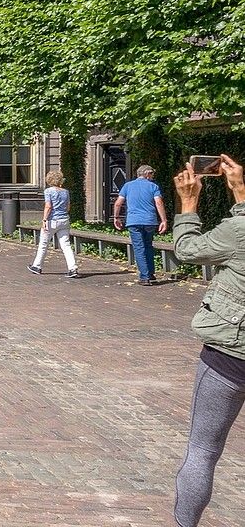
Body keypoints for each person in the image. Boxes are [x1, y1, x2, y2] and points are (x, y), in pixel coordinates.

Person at [171, 154, 245, 526]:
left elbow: (186, 251)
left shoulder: (238, 231)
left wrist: (188, 203)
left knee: (202, 451)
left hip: (230, 355)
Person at [114, 164, 168, 285]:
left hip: (133, 222)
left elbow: (118, 203)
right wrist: (164, 220)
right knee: (148, 246)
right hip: (150, 221)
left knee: (139, 248)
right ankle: (150, 273)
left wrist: (116, 217)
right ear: (147, 174)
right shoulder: (153, 186)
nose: (153, 177)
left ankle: (144, 277)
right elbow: (159, 203)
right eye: (152, 174)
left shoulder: (127, 186)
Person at [28, 171, 79, 278]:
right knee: (66, 245)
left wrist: (44, 220)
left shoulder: (48, 191)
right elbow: (68, 207)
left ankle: (37, 266)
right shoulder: (65, 192)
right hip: (64, 220)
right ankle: (73, 268)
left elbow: (48, 206)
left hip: (52, 221)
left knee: (43, 244)